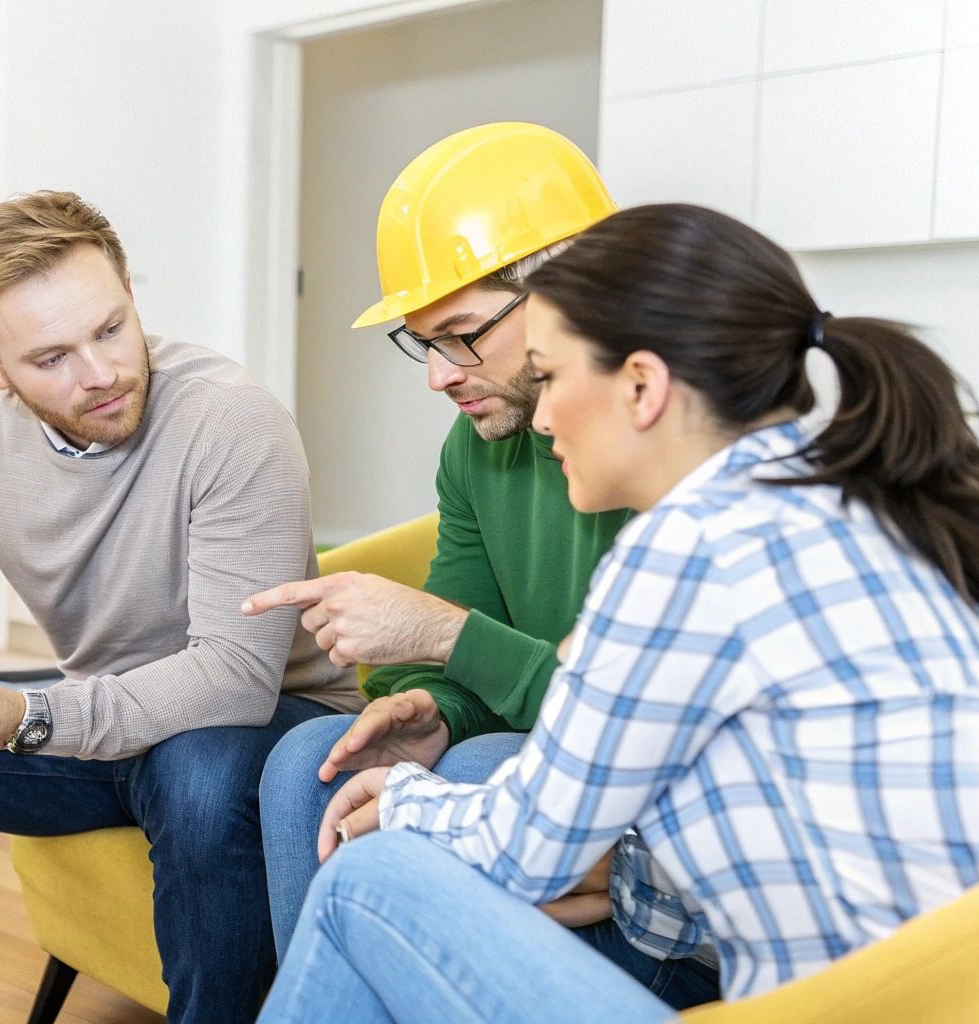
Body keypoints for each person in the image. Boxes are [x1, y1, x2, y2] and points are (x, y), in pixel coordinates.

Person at [259, 202, 979, 1023]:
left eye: (549, 378)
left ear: (642, 385)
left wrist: (404, 798)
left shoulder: (689, 548)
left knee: (369, 881)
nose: (543, 415)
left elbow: (524, 850)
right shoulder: (864, 499)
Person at [0, 190, 358, 1024]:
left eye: (111, 328)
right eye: (51, 357)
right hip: (105, 720)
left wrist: (25, 717)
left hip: (264, 720)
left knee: (195, 772)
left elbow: (233, 677)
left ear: (130, 296)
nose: (101, 373)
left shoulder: (233, 420)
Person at [244, 122, 717, 1004]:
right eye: (421, 341)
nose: (438, 375)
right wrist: (432, 708)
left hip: (618, 788)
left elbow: (617, 724)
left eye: (463, 334)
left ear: (571, 297)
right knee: (310, 764)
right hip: (559, 754)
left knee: (477, 768)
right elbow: (462, 662)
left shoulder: (656, 453)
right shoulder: (475, 448)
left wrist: (448, 636)